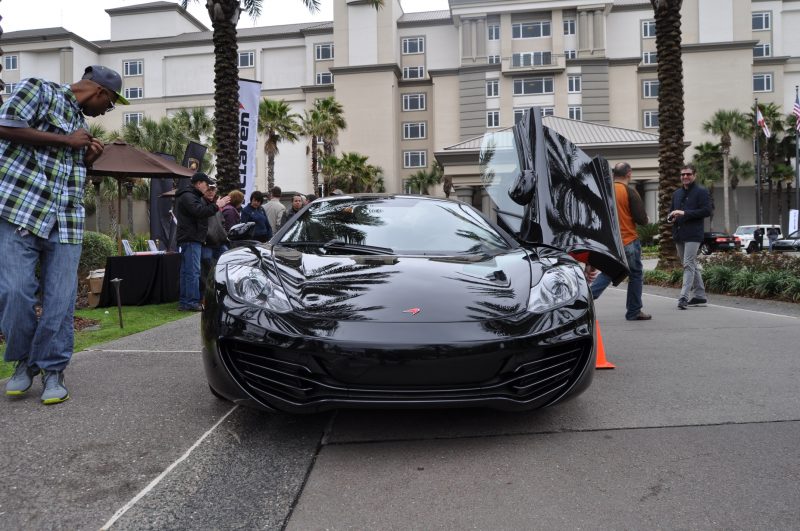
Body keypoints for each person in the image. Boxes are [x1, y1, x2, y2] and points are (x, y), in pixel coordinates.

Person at [0, 64, 129, 404]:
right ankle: (24, 362)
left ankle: (53, 369)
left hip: (66, 220)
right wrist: (66, 140)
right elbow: (4, 125)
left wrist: (86, 158)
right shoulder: (39, 89)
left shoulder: (80, 124)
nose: (107, 111)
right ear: (101, 92)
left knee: (59, 300)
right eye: (110, 103)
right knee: (15, 293)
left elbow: (68, 170)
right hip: (19, 210)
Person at [590, 162, 651, 321]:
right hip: (628, 240)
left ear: (613, 174)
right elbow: (641, 219)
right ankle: (633, 311)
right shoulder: (629, 192)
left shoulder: (605, 192)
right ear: (629, 173)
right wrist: (646, 219)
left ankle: (584, 301)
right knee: (635, 274)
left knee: (610, 271)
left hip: (610, 242)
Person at [175, 172, 230, 311]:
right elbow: (199, 211)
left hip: (190, 238)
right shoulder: (189, 196)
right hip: (191, 239)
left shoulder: (189, 195)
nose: (207, 188)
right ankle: (191, 302)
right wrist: (217, 205)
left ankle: (185, 302)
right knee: (193, 272)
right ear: (199, 183)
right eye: (206, 185)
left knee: (187, 272)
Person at [669, 164, 712, 310]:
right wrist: (671, 217)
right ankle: (700, 295)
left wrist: (685, 213)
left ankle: (683, 297)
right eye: (683, 174)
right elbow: (671, 212)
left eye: (688, 174)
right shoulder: (676, 193)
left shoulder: (701, 191)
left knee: (688, 264)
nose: (685, 177)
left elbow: (707, 211)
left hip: (693, 234)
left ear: (694, 175)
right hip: (679, 234)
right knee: (690, 264)